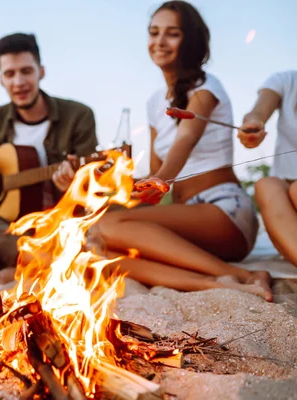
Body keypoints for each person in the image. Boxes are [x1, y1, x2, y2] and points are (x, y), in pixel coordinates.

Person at [86, 1, 272, 301]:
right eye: (154, 32)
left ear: (190, 41)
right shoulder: (153, 103)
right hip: (187, 215)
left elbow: (185, 140)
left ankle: (246, 274)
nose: (159, 41)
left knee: (107, 225)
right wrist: (106, 185)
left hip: (225, 212)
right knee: (99, 244)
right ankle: (218, 282)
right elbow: (155, 173)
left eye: (171, 34)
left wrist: (159, 180)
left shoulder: (206, 87)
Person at [0, 33, 98, 285]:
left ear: (41, 71)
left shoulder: (78, 116)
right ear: (1, 79)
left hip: (57, 221)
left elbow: (91, 184)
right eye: (10, 74)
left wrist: (73, 185)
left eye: (26, 71)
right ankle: (37, 261)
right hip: (6, 227)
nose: (19, 82)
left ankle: (25, 263)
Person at [238, 70, 297, 266]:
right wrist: (254, 122)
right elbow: (258, 111)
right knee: (266, 185)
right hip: (287, 212)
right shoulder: (287, 80)